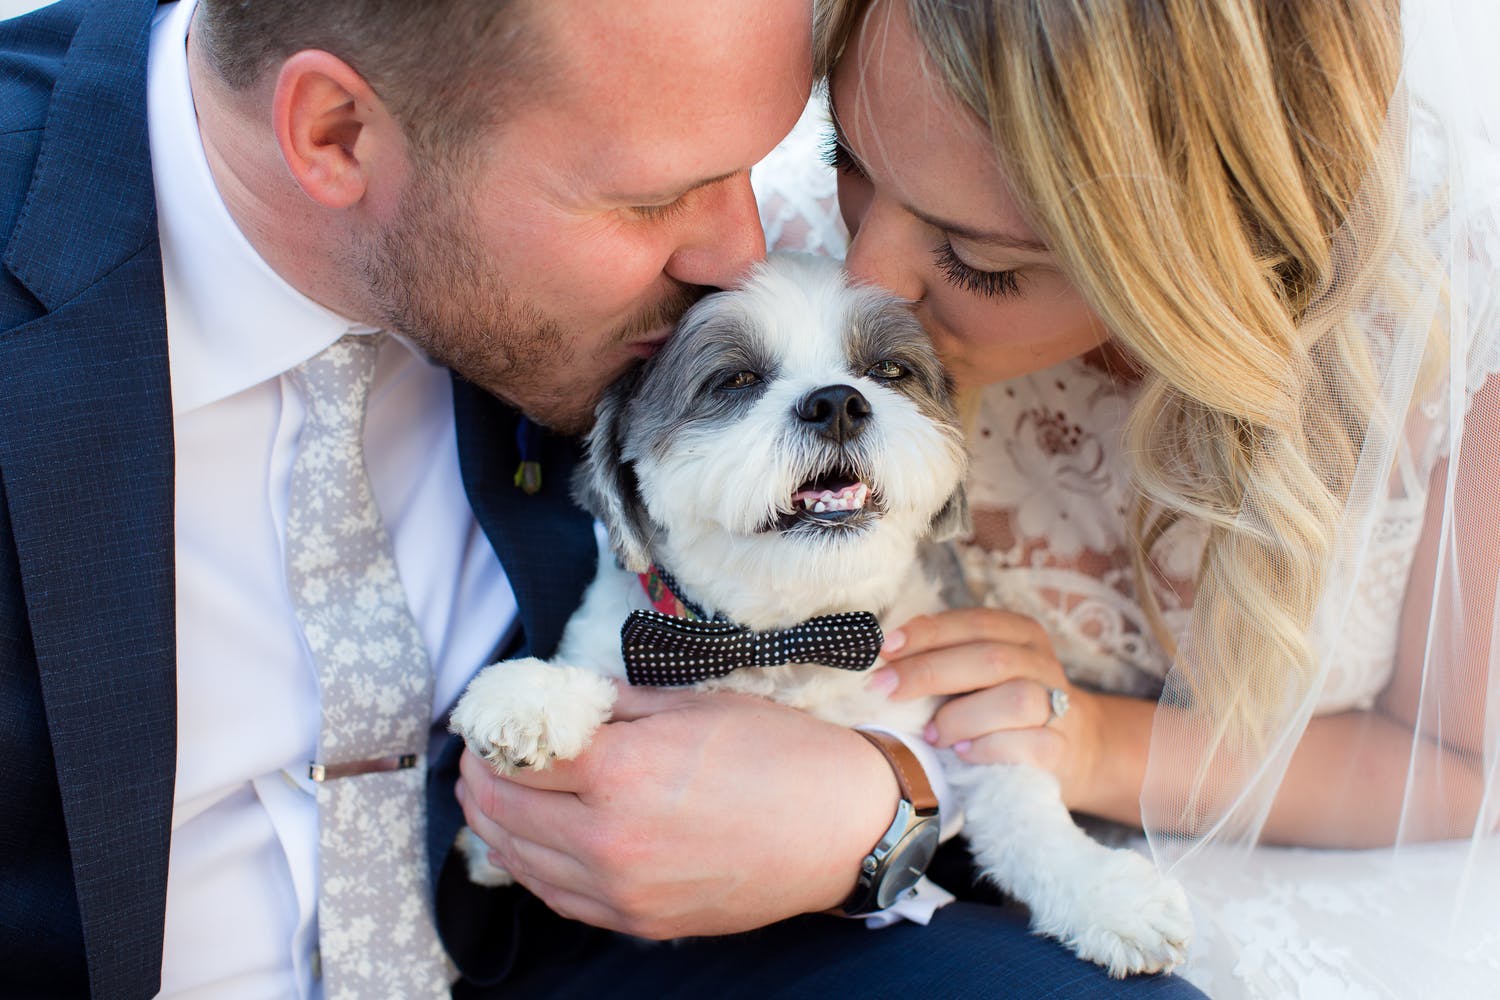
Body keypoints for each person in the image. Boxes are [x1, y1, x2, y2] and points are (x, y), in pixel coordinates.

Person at [0, 0, 1210, 997]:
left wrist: (893, 795)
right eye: (649, 200)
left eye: (762, 167)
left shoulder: (602, 274)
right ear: (337, 133)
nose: (743, 252)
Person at [746, 0, 1499, 995]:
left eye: (980, 262)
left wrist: (1092, 742)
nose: (866, 280)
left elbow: (1454, 764)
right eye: (849, 157)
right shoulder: (784, 286)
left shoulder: (1452, 334)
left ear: (1198, 249)